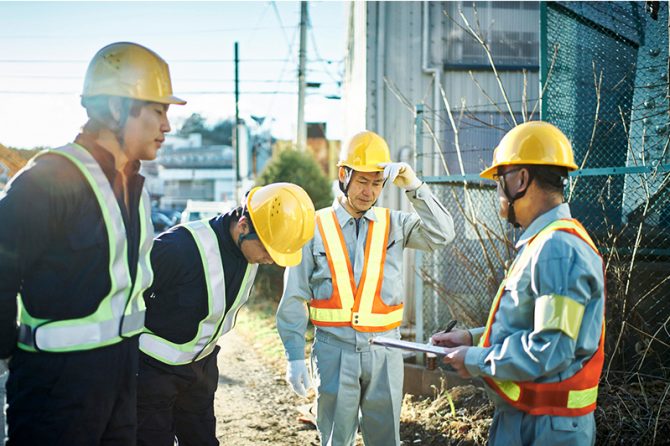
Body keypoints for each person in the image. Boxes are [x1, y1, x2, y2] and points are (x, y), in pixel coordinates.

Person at [0, 42, 185, 445]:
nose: (167, 126)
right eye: (157, 110)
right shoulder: (46, 181)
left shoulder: (134, 187)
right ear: (116, 108)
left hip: (119, 380)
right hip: (54, 391)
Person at [432, 121, 606, 446]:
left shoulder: (557, 249)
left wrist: (474, 358)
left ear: (521, 179)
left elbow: (549, 348)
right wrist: (470, 338)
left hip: (546, 429)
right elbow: (531, 324)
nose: (498, 193)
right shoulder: (545, 243)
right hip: (529, 418)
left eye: (500, 181)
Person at [277, 130, 455, 446]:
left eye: (376, 183)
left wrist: (414, 187)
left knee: (386, 440)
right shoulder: (314, 227)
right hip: (333, 350)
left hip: (386, 350)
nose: (369, 191)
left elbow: (443, 233)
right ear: (344, 175)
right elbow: (294, 295)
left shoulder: (395, 224)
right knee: (336, 439)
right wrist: (293, 355)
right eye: (362, 181)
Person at [137, 182, 315, 446]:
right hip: (151, 374)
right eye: (267, 250)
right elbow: (124, 295)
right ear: (243, 225)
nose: (270, 260)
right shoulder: (177, 248)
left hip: (200, 371)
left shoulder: (249, 251)